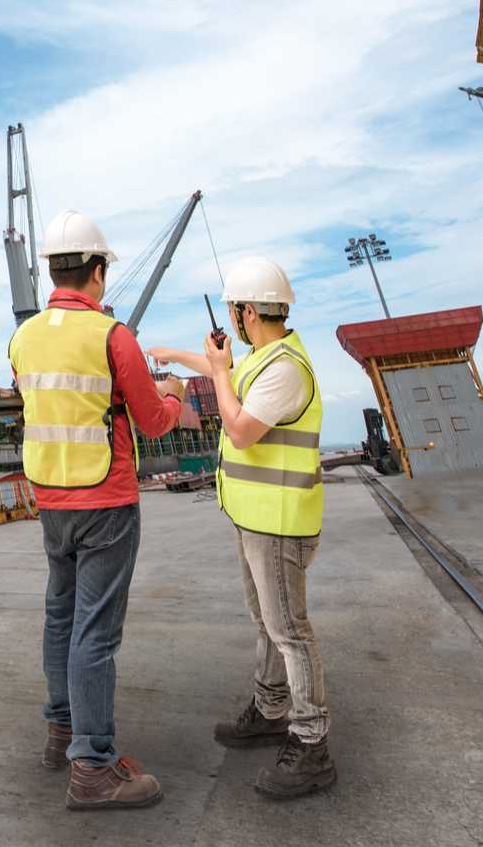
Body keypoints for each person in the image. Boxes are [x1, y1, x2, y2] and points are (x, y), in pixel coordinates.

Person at [13, 210, 199, 812]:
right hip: (107, 501)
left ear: (51, 269)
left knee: (60, 618)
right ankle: (92, 768)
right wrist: (173, 393)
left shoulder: (24, 338)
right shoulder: (113, 337)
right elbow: (152, 420)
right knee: (95, 633)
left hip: (50, 500)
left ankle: (61, 732)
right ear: (97, 270)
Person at [150, 256, 335, 799]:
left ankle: (311, 744)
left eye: (234, 310)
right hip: (255, 519)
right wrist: (173, 356)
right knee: (267, 621)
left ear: (247, 311)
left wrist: (219, 372)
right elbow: (219, 370)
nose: (231, 319)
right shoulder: (261, 357)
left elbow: (241, 427)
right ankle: (270, 708)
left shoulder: (282, 370)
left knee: (290, 631)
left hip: (280, 524)